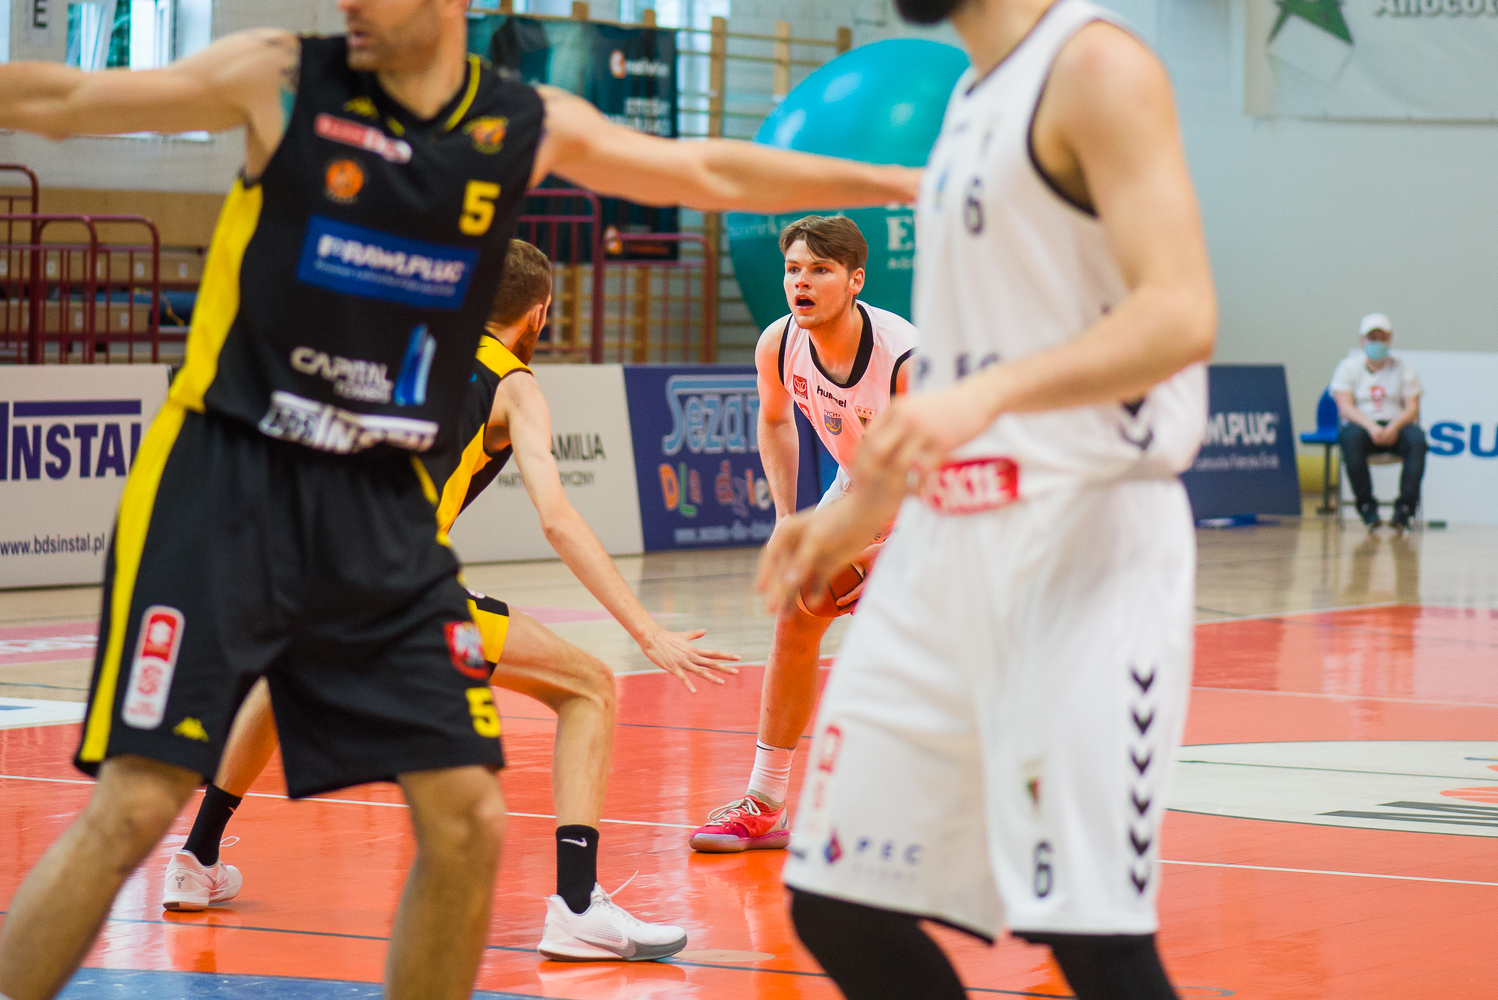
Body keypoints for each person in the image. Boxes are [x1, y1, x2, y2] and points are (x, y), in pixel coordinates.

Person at [0, 1, 918, 996]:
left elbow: (706, 170)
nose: (351, 5)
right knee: (132, 808)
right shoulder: (284, 76)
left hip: (374, 516)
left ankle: (568, 905)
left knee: (469, 820)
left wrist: (902, 181)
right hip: (229, 475)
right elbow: (65, 95)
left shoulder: (521, 123)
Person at [757, 0, 1217, 997]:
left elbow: (1181, 312)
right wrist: (857, 506)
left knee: (1089, 936)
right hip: (945, 538)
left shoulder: (1093, 67)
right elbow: (974, 354)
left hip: (1082, 535)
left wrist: (986, 395)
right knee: (837, 902)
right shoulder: (970, 98)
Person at [160, 239, 738, 961]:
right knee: (590, 687)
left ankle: (195, 858)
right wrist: (646, 630)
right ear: (539, 314)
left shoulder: (401, 347)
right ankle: (577, 907)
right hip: (390, 587)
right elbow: (557, 519)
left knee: (282, 681)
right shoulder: (515, 386)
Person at [689, 216, 917, 853]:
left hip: (941, 503)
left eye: (820, 270)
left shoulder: (904, 358)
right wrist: (788, 520)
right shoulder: (779, 343)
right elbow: (775, 421)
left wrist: (865, 547)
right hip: (860, 489)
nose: (801, 282)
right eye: (793, 269)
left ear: (855, 280)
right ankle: (765, 801)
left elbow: (932, 473)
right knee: (798, 607)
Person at [1331, 313, 1425, 530]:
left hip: (1397, 426)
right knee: (1350, 438)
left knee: (1417, 440)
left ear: (1390, 339)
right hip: (1363, 426)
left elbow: (1412, 409)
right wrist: (1371, 427)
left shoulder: (1405, 369)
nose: (1378, 343)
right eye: (1372, 338)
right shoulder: (1347, 367)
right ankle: (1366, 506)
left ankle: (1405, 508)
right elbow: (1345, 407)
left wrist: (1393, 427)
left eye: (1383, 338)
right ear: (1362, 340)